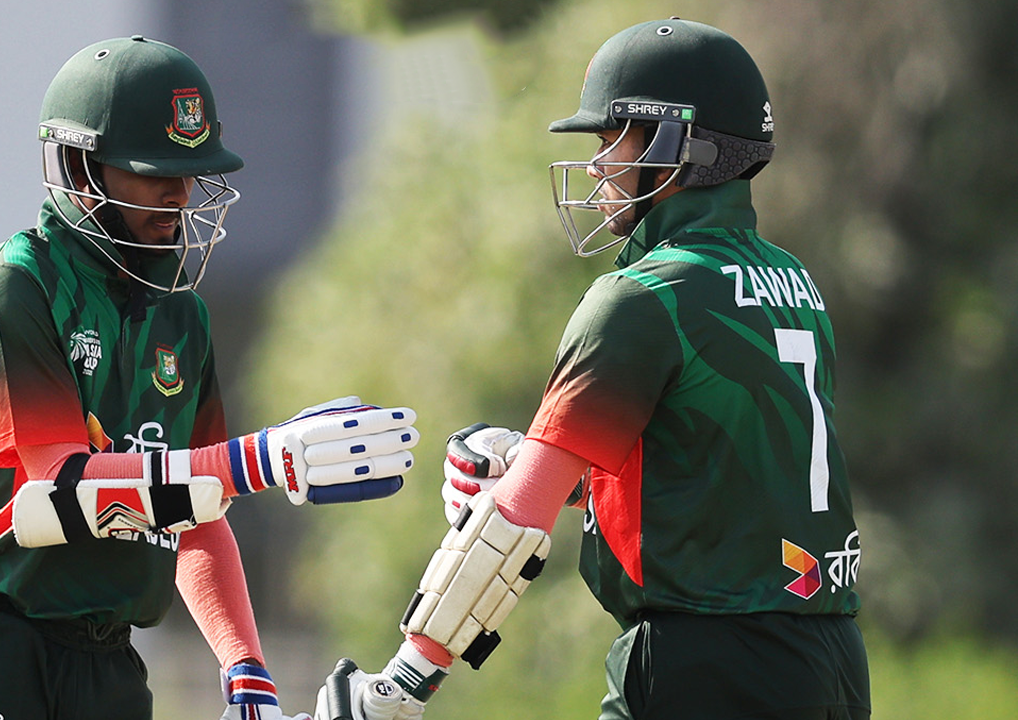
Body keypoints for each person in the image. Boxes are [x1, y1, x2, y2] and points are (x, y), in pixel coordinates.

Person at [318, 18, 870, 720]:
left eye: (614, 137)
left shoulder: (644, 296)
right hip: (831, 659)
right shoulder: (794, 282)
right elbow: (714, 480)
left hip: (703, 660)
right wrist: (538, 466)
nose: (598, 165)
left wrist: (403, 683)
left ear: (676, 144)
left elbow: (513, 523)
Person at [0, 36, 420, 720]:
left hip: (107, 663)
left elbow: (197, 510)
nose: (181, 193)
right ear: (81, 169)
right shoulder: (17, 288)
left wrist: (244, 666)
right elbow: (59, 489)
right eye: (155, 170)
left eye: (190, 171)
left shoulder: (183, 317)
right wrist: (258, 460)